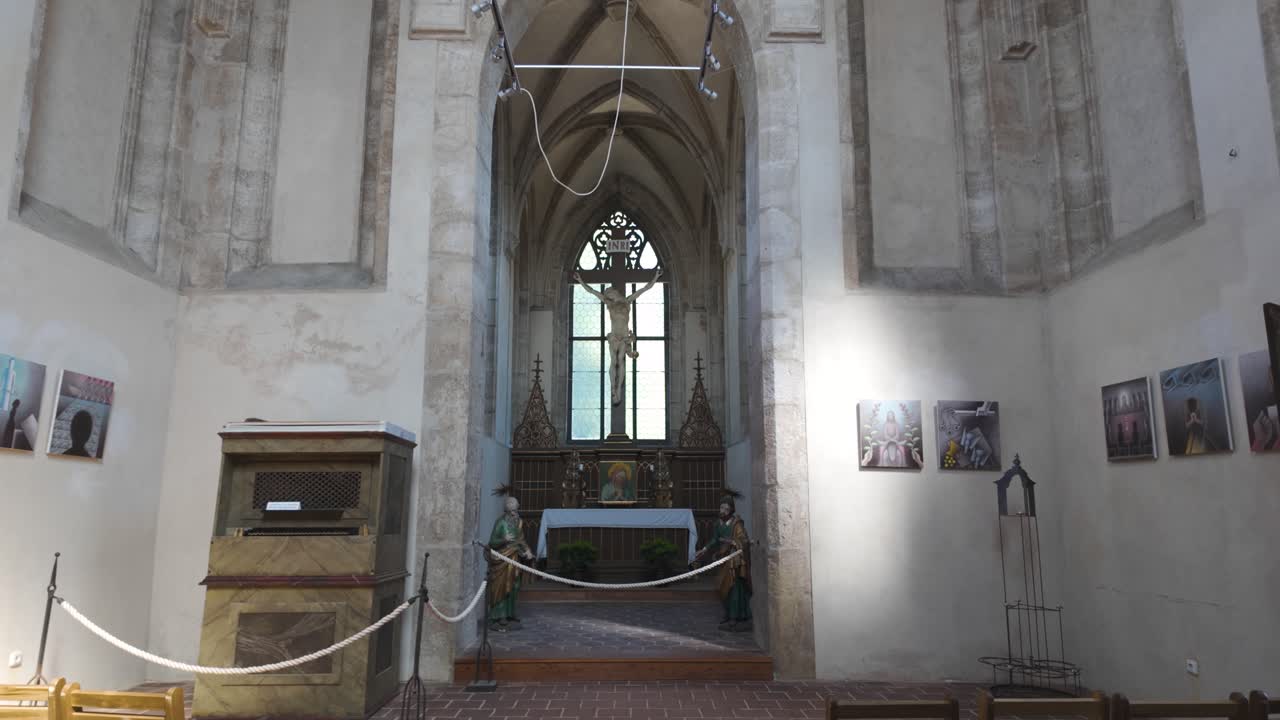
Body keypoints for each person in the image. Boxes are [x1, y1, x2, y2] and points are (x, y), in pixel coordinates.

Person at [572, 268, 662, 406]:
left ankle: (618, 389)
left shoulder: (627, 301)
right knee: (614, 360)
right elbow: (592, 291)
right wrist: (580, 280)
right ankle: (613, 388)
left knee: (620, 360)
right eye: (607, 294)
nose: (607, 295)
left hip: (624, 336)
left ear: (615, 292)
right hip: (615, 336)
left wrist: (656, 276)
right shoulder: (610, 303)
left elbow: (645, 289)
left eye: (609, 293)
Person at [693, 495, 752, 632]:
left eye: (726, 508)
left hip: (734, 561)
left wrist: (733, 542)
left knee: (734, 589)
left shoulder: (737, 523)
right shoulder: (718, 523)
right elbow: (714, 539)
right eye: (722, 507)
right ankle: (728, 613)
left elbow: (743, 539)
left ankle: (735, 617)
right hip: (722, 559)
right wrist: (704, 549)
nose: (723, 510)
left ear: (731, 510)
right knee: (723, 587)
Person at [486, 495, 534, 631]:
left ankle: (510, 613)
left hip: (515, 559)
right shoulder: (500, 523)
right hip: (501, 560)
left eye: (516, 511)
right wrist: (503, 539)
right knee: (501, 587)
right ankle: (499, 615)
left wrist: (527, 550)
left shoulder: (518, 522)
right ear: (506, 511)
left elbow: (521, 540)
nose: (515, 514)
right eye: (512, 512)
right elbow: (492, 543)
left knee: (514, 585)